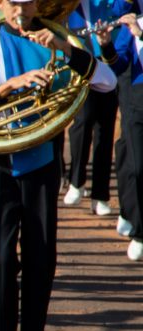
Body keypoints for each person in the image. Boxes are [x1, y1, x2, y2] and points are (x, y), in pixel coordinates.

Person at [0, 0, 116, 331]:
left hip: (42, 161)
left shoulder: (59, 38)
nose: (21, 9)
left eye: (27, 1)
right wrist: (10, 87)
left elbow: (108, 81)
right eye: (13, 2)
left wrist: (65, 50)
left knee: (40, 262)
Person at [63, 1, 121, 217]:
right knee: (83, 119)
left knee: (105, 130)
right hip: (81, 64)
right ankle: (76, 181)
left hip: (109, 61)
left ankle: (100, 195)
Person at [106, 13, 143, 260]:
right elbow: (118, 65)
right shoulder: (135, 20)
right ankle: (140, 232)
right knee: (138, 166)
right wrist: (105, 43)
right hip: (137, 102)